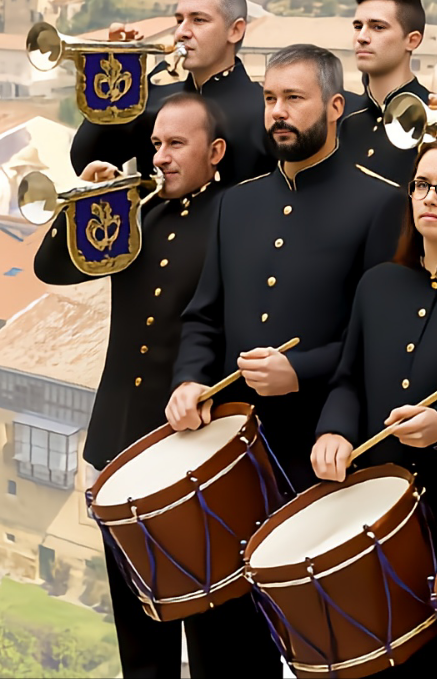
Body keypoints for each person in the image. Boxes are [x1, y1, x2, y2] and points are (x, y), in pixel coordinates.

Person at [37, 95, 275, 677]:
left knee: (213, 631)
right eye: (156, 144)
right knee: (139, 636)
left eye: (176, 145)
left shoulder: (237, 216)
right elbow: (53, 267)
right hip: (118, 444)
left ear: (215, 152)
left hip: (194, 455)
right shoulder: (134, 213)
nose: (160, 157)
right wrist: (86, 206)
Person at [168, 44, 407, 491]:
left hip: (324, 445)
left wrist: (301, 370)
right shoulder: (235, 203)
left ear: (335, 106)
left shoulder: (381, 203)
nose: (278, 111)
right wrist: (189, 380)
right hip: (227, 442)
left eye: (294, 98)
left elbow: (380, 339)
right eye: (269, 98)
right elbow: (204, 316)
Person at [312, 139, 437, 550]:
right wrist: (334, 430)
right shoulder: (377, 283)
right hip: (372, 503)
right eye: (421, 185)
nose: (430, 198)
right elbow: (347, 381)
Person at [70, 0, 269, 189]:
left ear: (235, 30)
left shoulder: (265, 111)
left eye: (198, 20)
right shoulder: (155, 95)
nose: (181, 32)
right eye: (179, 20)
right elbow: (86, 160)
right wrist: (118, 74)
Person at [336, 0, 431, 183]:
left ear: (412, 40)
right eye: (357, 26)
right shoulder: (340, 118)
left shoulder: (434, 117)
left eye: (378, 27)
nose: (361, 37)